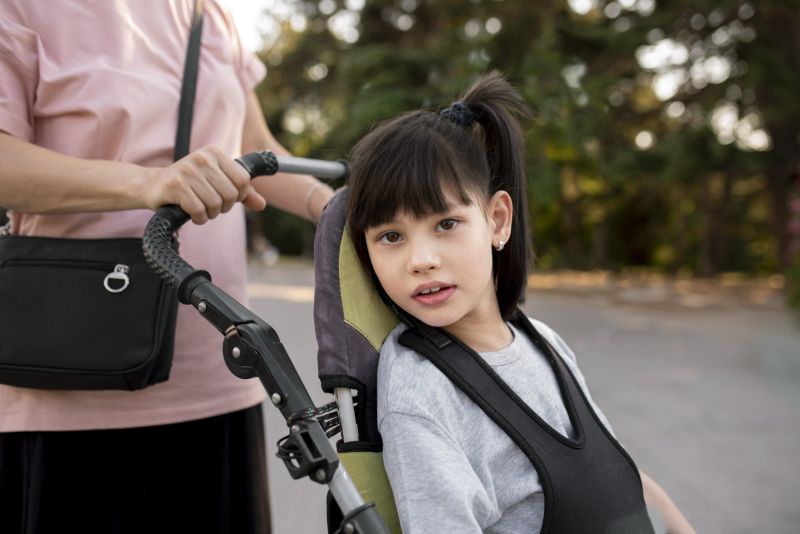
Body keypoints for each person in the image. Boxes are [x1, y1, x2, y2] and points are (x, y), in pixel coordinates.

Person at [0, 1, 333, 533]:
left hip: (221, 380)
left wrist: (335, 206)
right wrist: (147, 182)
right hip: (71, 393)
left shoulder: (207, 12)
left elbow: (254, 152)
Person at [346, 71, 695, 533]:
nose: (421, 260)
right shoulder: (420, 389)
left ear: (497, 221)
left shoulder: (544, 342)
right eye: (391, 236)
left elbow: (617, 473)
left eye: (446, 224)